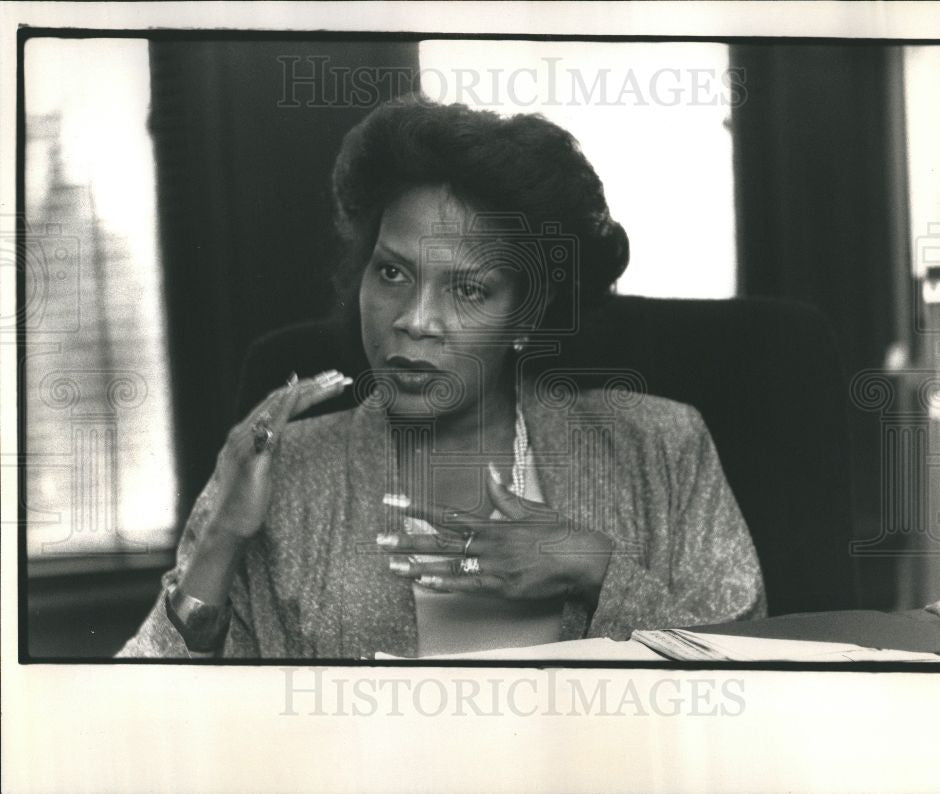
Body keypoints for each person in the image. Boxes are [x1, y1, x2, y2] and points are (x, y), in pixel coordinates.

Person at [118, 96, 765, 659]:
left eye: (468, 289)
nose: (414, 321)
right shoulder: (286, 474)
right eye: (392, 273)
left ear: (527, 314)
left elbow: (753, 672)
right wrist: (222, 536)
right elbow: (144, 712)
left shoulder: (660, 447)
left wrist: (591, 566)